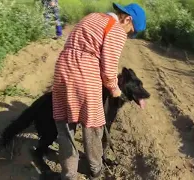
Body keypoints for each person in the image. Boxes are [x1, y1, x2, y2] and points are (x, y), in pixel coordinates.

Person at [52, 2, 146, 180]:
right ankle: (95, 169)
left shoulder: (92, 17)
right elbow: (109, 68)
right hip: (85, 73)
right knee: (93, 125)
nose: (129, 34)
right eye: (131, 31)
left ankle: (69, 175)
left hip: (63, 69)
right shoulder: (117, 29)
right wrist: (115, 89)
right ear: (127, 19)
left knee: (65, 126)